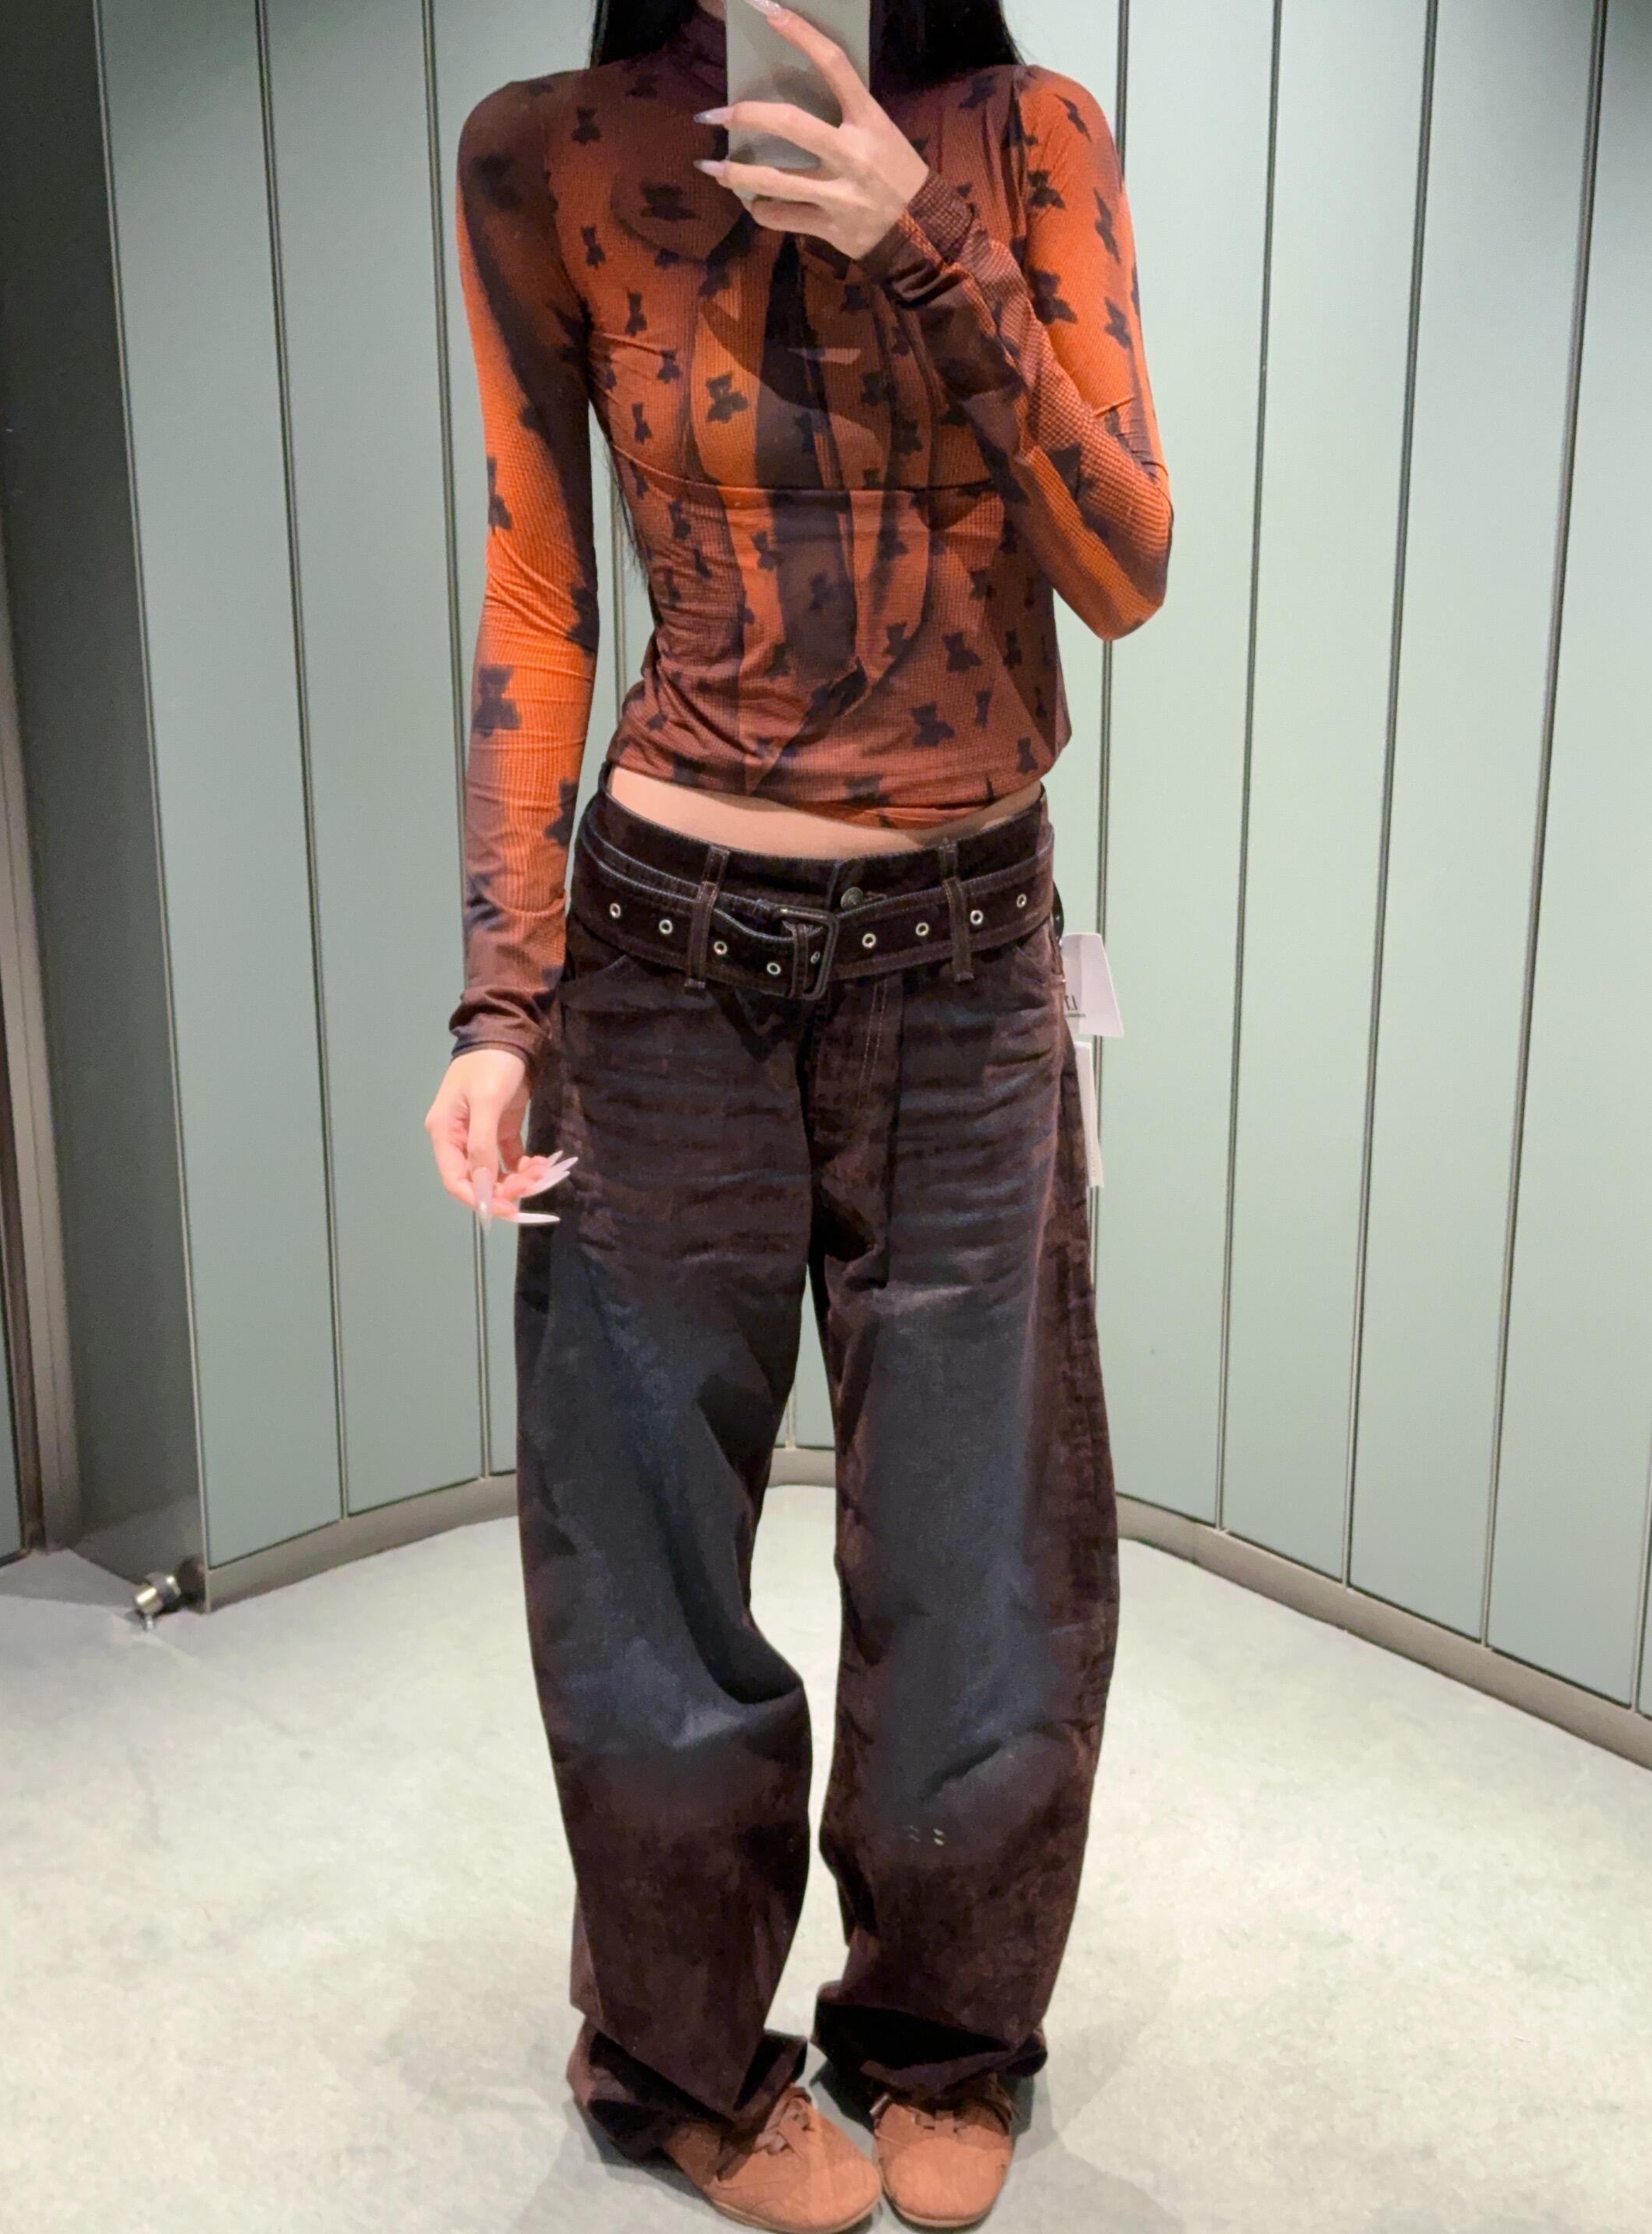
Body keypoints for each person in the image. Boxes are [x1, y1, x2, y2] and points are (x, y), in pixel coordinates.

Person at [424, 0, 1170, 2225]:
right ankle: (672, 2058)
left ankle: (945, 2033)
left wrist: (917, 233)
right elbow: (539, 581)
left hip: (967, 952)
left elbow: (1125, 570)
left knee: (981, 1541)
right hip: (664, 954)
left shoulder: (1027, 138)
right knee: (640, 1544)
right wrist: (502, 995)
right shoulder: (548, 149)